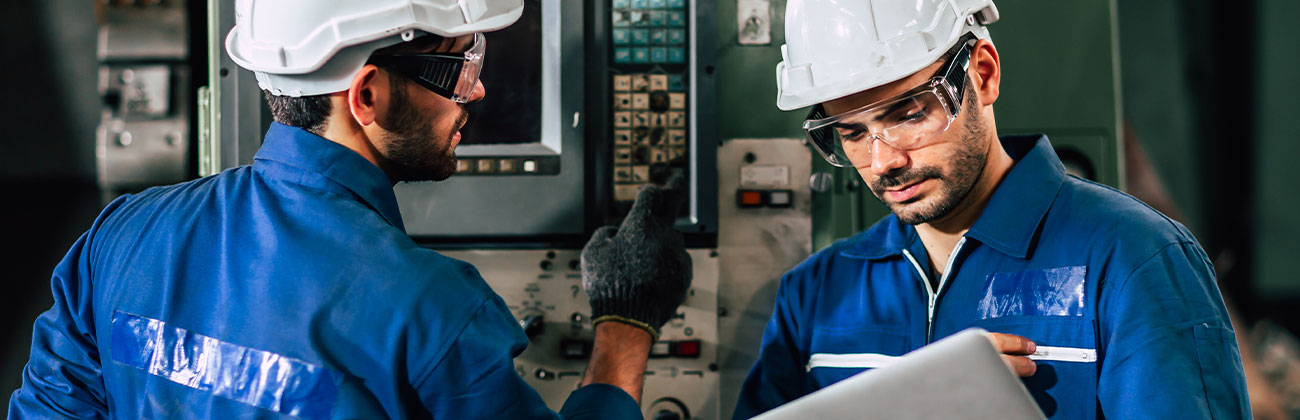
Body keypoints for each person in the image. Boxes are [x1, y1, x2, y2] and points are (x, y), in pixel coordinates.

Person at [8, 0, 691, 418]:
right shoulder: (434, 310)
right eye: (459, 66)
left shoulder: (119, 237)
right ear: (367, 96)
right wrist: (625, 324)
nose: (476, 92)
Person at [734, 0, 1250, 418]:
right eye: (851, 133)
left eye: (910, 115)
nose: (884, 161)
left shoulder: (1132, 260)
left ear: (982, 75)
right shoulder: (816, 293)